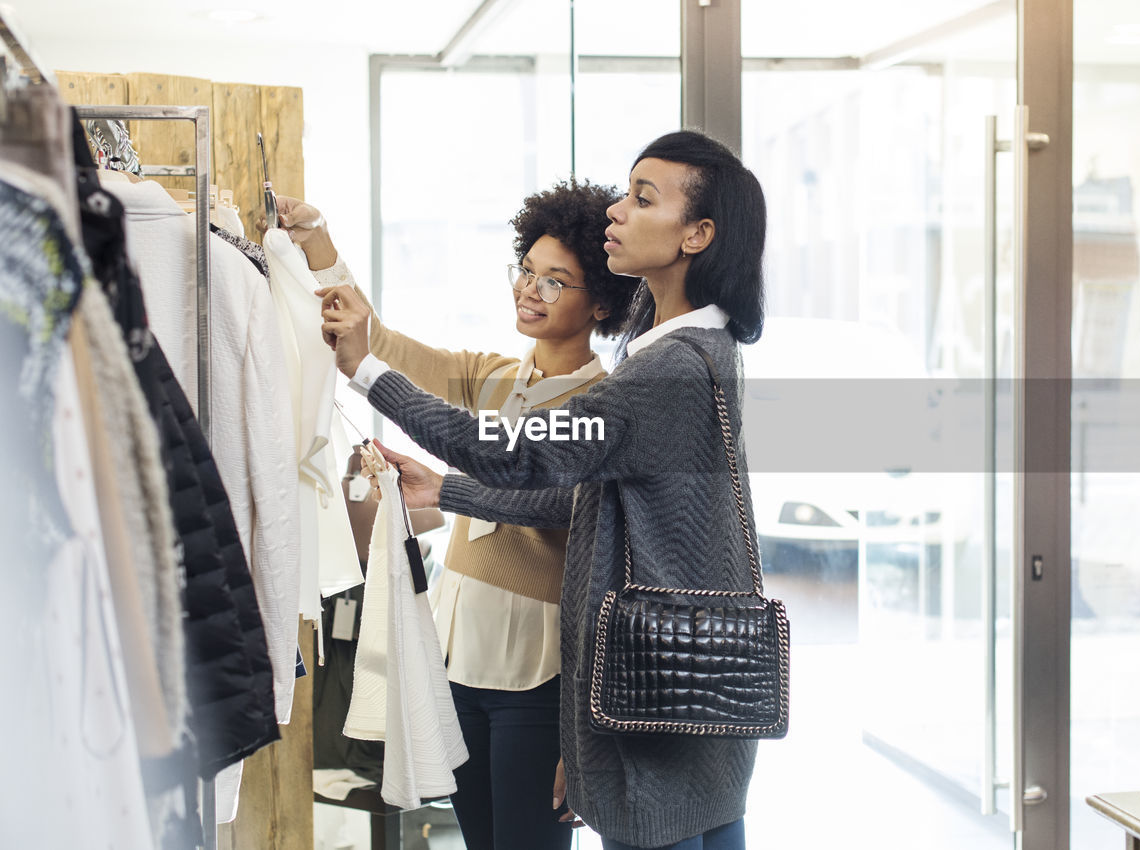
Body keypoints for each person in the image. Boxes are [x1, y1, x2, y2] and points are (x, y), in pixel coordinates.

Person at [319, 130, 768, 850]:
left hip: (651, 692)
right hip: (680, 690)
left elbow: (509, 453)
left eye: (642, 198)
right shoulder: (698, 354)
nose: (618, 212)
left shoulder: (666, 372)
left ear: (697, 235)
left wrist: (367, 375)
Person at [268, 181, 638, 850]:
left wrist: (447, 490)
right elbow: (379, 343)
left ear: (602, 302)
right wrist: (318, 242)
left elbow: (565, 510)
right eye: (526, 271)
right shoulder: (496, 378)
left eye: (556, 282)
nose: (530, 290)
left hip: (540, 668)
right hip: (458, 659)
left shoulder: (606, 404)